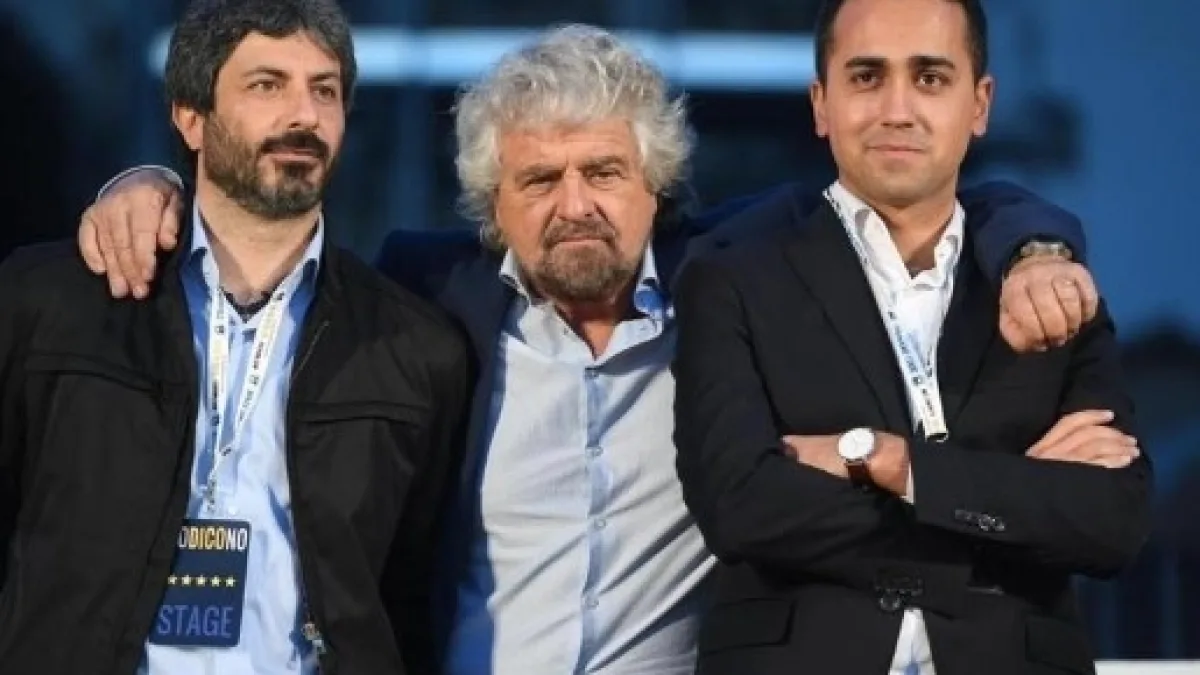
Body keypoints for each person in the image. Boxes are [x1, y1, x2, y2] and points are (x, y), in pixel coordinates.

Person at [76, 24, 1100, 675]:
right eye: (539, 180)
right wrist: (150, 184)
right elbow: (261, 233)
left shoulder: (739, 278)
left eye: (605, 172)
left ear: (657, 182)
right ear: (493, 205)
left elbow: (935, 192)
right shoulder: (425, 295)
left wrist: (1038, 251)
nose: (576, 206)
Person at [671, 1, 1153, 674]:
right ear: (821, 103)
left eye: (930, 78)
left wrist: (892, 464)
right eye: (867, 77)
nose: (897, 110)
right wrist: (1013, 499)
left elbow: (1111, 521)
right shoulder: (732, 275)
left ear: (979, 104)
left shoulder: (1048, 283)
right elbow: (742, 507)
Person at [0, 0, 469, 673]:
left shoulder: (417, 347)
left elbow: (411, 593)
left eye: (324, 90)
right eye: (266, 85)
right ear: (190, 117)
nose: (303, 115)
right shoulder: (49, 303)